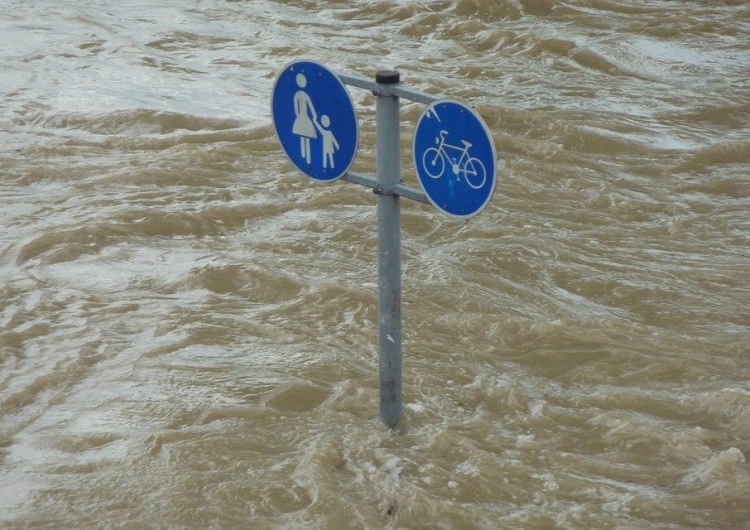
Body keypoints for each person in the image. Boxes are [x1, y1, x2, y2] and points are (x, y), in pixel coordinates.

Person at [292, 73, 317, 164]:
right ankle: (306, 158)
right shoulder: (301, 94)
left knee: (304, 135)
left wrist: (298, 115)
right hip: (303, 117)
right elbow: (310, 106)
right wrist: (314, 116)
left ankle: (306, 158)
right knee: (305, 135)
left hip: (301, 117)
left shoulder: (298, 94)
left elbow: (308, 106)